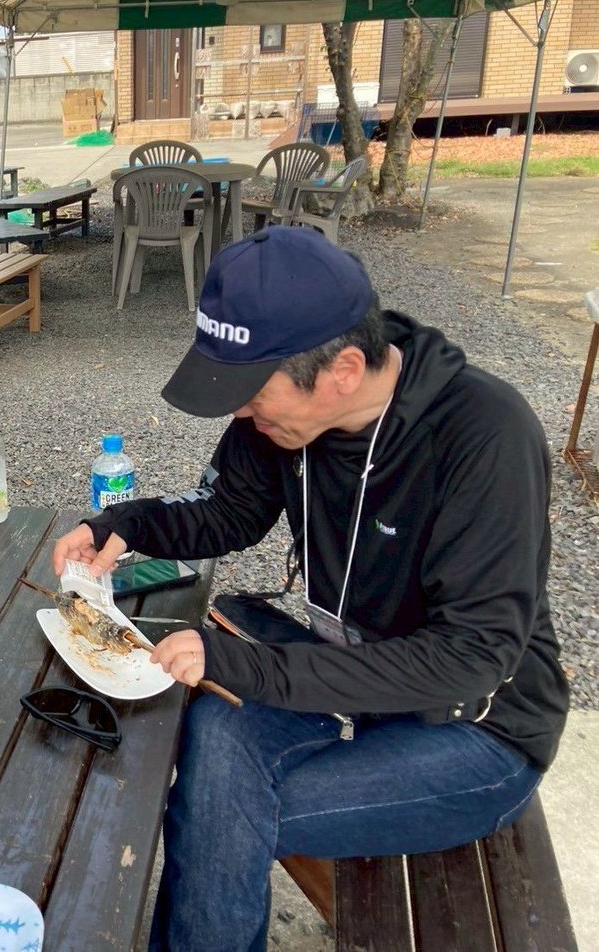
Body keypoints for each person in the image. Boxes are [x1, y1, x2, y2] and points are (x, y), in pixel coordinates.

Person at [52, 226, 569, 952]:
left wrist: (254, 667)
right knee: (215, 737)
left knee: (216, 811)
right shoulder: (284, 417)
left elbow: (472, 657)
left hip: (474, 729)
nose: (239, 413)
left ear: (344, 370)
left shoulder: (484, 434)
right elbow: (230, 511)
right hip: (351, 678)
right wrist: (124, 524)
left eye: (252, 392)